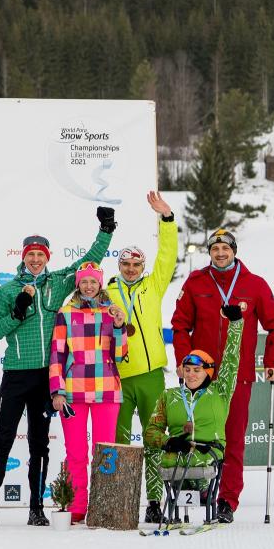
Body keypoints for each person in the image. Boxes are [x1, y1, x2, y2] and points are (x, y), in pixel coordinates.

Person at [0, 206, 117, 526]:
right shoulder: (7, 290)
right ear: (23, 257)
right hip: (16, 373)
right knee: (3, 439)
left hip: (48, 376)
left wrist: (106, 230)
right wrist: (19, 309)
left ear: (47, 257)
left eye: (40, 255)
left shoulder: (58, 282)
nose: (36, 260)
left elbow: (90, 260)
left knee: (40, 442)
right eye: (31, 255)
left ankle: (37, 508)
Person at [171, 229, 274, 523]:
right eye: (215, 248)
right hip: (201, 376)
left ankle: (227, 499)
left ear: (234, 250)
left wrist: (272, 361)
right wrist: (184, 362)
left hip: (239, 377)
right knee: (199, 435)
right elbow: (180, 326)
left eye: (225, 248)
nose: (220, 253)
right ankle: (202, 489)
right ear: (209, 252)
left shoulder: (254, 284)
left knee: (233, 439)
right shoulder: (196, 283)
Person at [107, 191, 177, 523]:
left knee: (153, 439)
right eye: (125, 264)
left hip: (151, 374)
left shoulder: (154, 285)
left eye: (136, 264)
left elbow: (168, 255)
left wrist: (166, 220)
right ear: (118, 265)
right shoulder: (106, 292)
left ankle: (153, 499)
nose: (131, 269)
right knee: (117, 441)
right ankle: (118, 500)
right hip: (117, 376)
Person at [49, 262, 129, 523]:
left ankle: (102, 505)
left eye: (93, 281)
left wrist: (119, 326)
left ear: (100, 284)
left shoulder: (111, 312)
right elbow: (57, 354)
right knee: (76, 452)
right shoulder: (66, 312)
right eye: (84, 281)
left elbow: (120, 355)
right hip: (73, 391)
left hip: (106, 389)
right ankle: (77, 504)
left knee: (105, 452)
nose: (89, 286)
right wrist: (57, 391)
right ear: (78, 284)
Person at [145, 306, 246, 511]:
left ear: (207, 372)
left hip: (208, 450)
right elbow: (150, 432)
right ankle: (155, 505)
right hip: (178, 451)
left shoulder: (220, 391)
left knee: (192, 461)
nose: (191, 375)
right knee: (155, 451)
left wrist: (235, 325)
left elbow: (231, 361)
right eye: (188, 370)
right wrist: (168, 442)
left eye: (197, 371)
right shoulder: (170, 395)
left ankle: (203, 492)